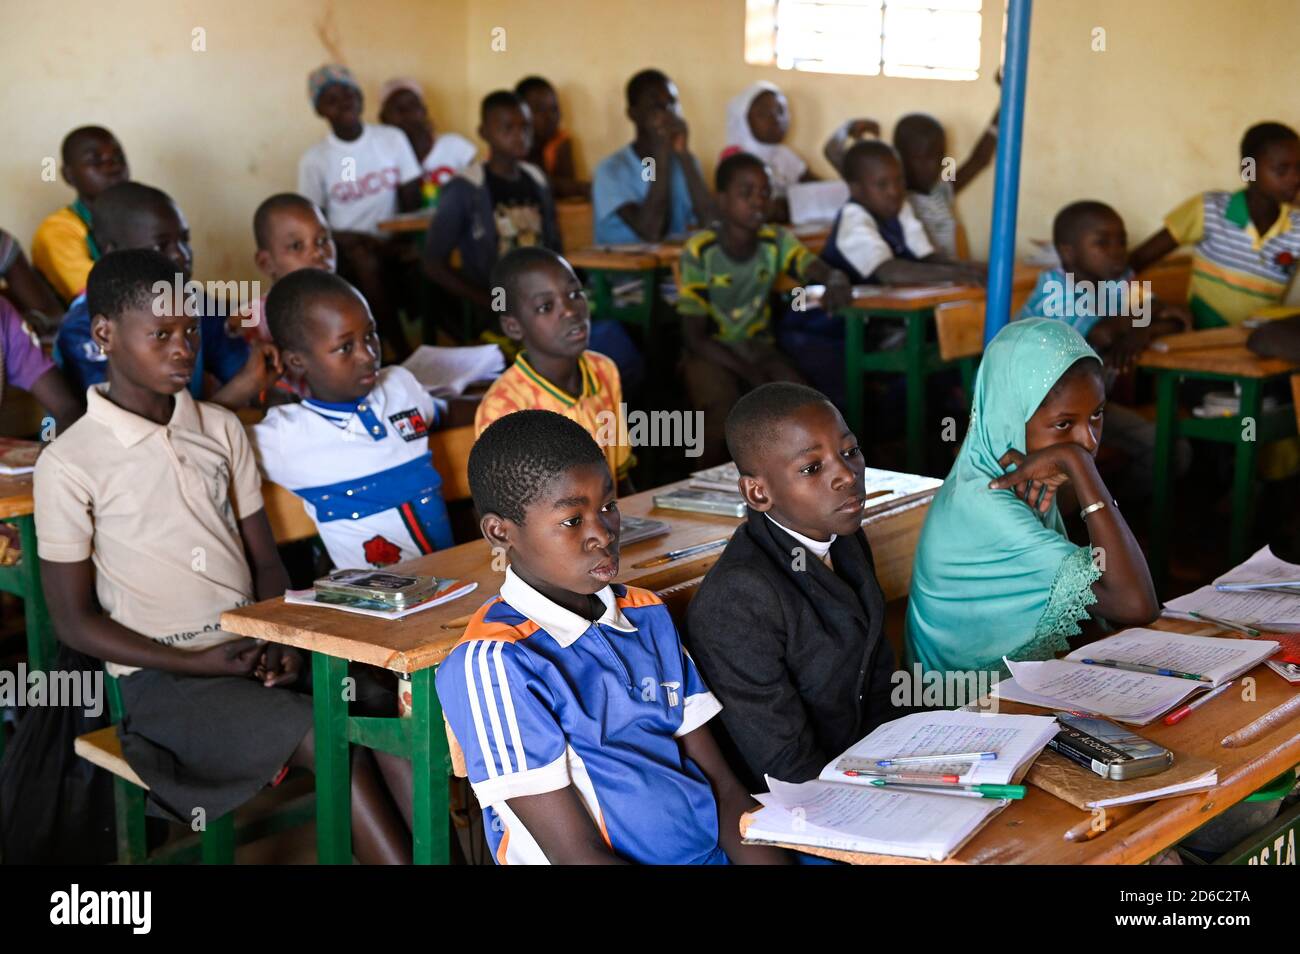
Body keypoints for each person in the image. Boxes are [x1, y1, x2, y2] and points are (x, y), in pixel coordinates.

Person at [35, 249, 412, 863]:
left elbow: (266, 562)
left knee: (391, 706)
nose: (183, 349)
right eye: (161, 335)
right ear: (104, 335)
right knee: (327, 735)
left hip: (251, 653)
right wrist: (203, 663)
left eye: (190, 331)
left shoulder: (219, 429)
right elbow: (73, 622)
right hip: (163, 682)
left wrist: (281, 640)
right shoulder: (71, 462)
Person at [436, 409, 790, 865]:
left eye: (608, 507)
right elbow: (575, 855)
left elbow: (720, 786)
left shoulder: (645, 614)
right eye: (571, 521)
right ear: (500, 532)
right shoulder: (496, 661)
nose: (602, 533)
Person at [904, 318, 1159, 676]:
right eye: (1064, 423)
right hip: (965, 709)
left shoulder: (1016, 472)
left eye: (1097, 414)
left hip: (1015, 690)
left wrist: (1074, 464)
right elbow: (1135, 604)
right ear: (1010, 416)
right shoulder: (987, 501)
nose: (1088, 440)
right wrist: (1080, 466)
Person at [686, 383, 895, 789]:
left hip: (870, 770)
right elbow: (785, 763)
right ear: (758, 492)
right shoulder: (739, 599)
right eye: (812, 468)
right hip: (801, 799)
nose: (846, 476)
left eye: (849, 452)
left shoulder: (845, 537)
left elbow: (879, 678)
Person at [249, 269, 453, 569]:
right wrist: (245, 386)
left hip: (455, 585)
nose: (368, 354)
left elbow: (444, 411)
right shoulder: (286, 436)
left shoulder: (399, 385)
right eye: (345, 347)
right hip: (378, 606)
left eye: (370, 334)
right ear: (296, 361)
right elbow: (195, 440)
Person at [678, 152, 849, 465]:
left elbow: (815, 268)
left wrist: (834, 278)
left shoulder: (776, 240)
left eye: (765, 193)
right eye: (746, 193)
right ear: (723, 200)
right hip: (710, 352)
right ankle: (707, 487)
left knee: (803, 405)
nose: (758, 201)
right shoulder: (700, 250)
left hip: (759, 348)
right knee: (721, 410)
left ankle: (794, 486)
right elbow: (695, 337)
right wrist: (749, 372)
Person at [1017, 200, 1191, 498]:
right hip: (1036, 414)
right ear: (1068, 252)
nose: (1117, 251)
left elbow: (1176, 317)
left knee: (1171, 449)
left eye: (1121, 241)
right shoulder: (1055, 289)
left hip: (1090, 409)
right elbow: (1104, 334)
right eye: (1102, 243)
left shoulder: (1118, 281)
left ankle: (1117, 516)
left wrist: (1140, 330)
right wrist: (1140, 323)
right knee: (1071, 473)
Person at [53, 182, 273, 411]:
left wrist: (263, 374)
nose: (181, 254)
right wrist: (239, 392)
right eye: (161, 246)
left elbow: (243, 371)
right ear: (113, 251)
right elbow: (127, 426)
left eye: (185, 239)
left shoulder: (196, 304)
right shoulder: (83, 328)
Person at [474, 247, 632, 487]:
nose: (570, 310)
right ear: (514, 327)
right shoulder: (505, 408)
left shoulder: (603, 370)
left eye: (575, 293)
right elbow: (515, 515)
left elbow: (620, 477)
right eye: (545, 307)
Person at [298, 64, 423, 360]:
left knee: (429, 262)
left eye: (348, 93)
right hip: (346, 249)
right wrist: (351, 239)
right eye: (331, 97)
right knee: (364, 259)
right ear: (319, 110)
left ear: (361, 98)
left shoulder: (391, 139)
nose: (343, 102)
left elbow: (412, 203)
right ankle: (401, 352)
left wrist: (403, 240)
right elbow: (312, 224)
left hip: (392, 242)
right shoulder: (315, 160)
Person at [1130, 121, 1300, 327]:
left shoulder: (1296, 225)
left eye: (1299, 168)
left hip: (1258, 343)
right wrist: (1146, 307)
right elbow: (1134, 263)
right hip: (1202, 336)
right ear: (1248, 169)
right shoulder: (1210, 209)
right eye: (1282, 170)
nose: (1295, 179)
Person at [821, 140, 984, 286]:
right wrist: (959, 274)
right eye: (882, 184)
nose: (894, 191)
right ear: (856, 189)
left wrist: (969, 267)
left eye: (899, 180)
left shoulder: (900, 209)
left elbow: (926, 258)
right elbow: (889, 271)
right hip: (842, 316)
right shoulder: (853, 219)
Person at [592, 69, 714, 244]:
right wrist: (661, 154)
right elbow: (651, 231)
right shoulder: (611, 171)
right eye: (656, 106)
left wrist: (684, 155)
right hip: (622, 270)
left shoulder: (686, 163)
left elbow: (712, 224)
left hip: (672, 267)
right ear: (633, 114)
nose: (668, 113)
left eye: (672, 103)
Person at [242, 193, 339, 398]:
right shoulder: (252, 322)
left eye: (322, 240)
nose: (318, 253)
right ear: (266, 263)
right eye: (297, 246)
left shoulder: (346, 305)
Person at [31, 126, 129, 303]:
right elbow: (100, 293)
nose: (113, 166)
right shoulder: (57, 230)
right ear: (68, 175)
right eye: (96, 161)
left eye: (118, 157)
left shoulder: (141, 218)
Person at [893, 110, 998, 259]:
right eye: (925, 157)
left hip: (951, 276)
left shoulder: (940, 191)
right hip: (926, 278)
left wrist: (1005, 103)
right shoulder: (897, 202)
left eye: (940, 155)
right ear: (898, 157)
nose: (937, 165)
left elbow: (979, 160)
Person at [378, 77, 479, 209]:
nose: (407, 113)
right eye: (398, 108)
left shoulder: (455, 146)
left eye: (413, 105)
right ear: (384, 118)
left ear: (424, 111)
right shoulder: (382, 159)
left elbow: (481, 191)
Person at [515, 75, 588, 199]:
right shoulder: (508, 143)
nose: (549, 117)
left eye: (554, 109)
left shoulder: (560, 141)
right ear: (518, 113)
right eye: (539, 110)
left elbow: (567, 191)